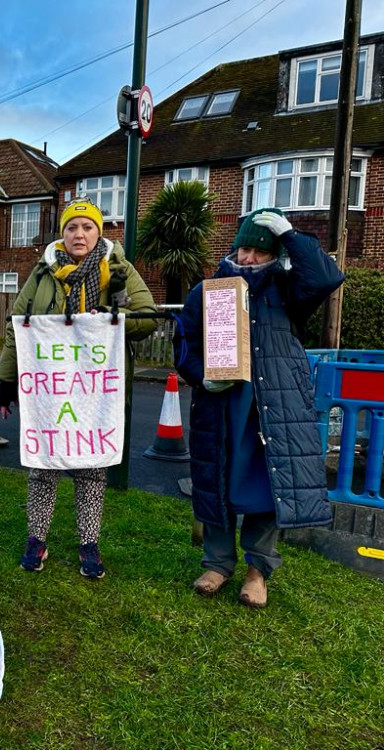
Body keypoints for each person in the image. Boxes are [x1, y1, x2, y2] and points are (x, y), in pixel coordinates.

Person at [173, 208, 343, 608]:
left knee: (269, 486)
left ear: (275, 254)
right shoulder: (208, 291)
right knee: (218, 480)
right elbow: (184, 345)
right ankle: (217, 563)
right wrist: (201, 375)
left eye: (259, 251)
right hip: (223, 406)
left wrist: (291, 236)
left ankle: (258, 571)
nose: (248, 258)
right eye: (243, 248)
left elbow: (326, 277)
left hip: (275, 407)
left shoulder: (288, 289)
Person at [0, 199, 157, 578]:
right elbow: (15, 327)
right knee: (44, 468)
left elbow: (147, 317)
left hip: (94, 389)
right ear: (62, 234)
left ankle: (89, 542)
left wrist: (114, 319)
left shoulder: (119, 269)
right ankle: (37, 539)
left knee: (91, 470)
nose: (79, 234)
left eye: (87, 227)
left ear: (98, 232)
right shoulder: (42, 273)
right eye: (71, 227)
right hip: (51, 390)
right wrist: (7, 380)